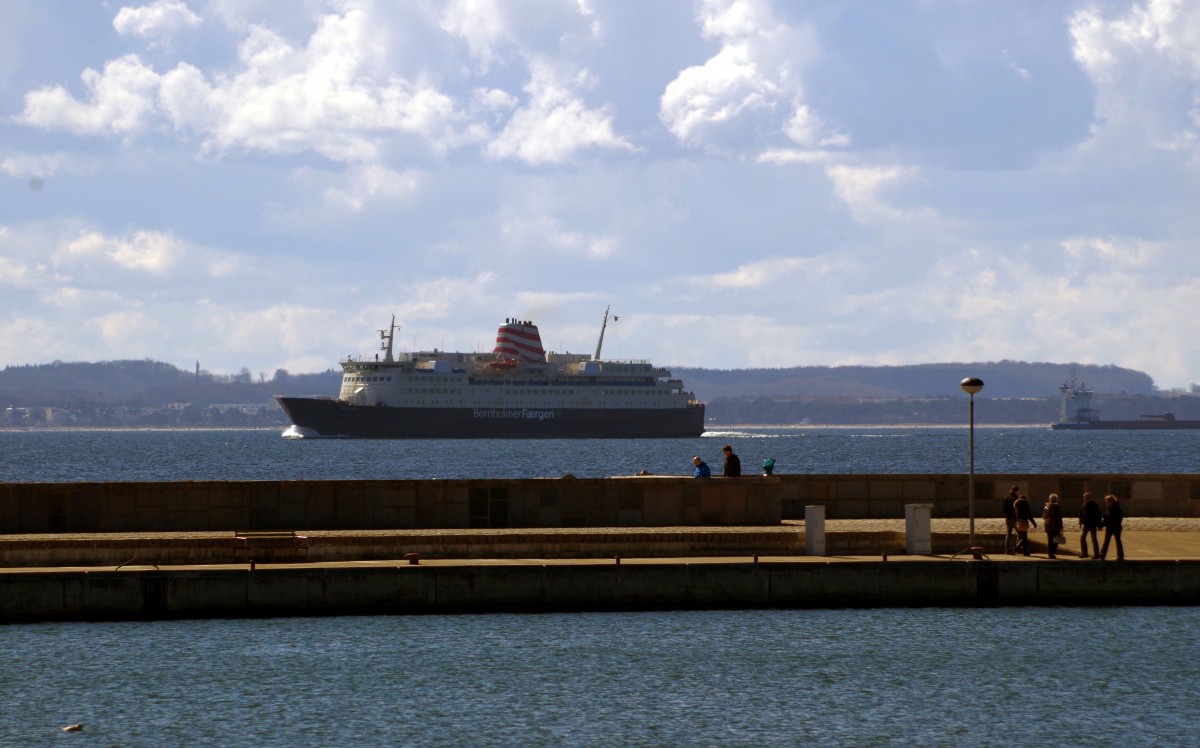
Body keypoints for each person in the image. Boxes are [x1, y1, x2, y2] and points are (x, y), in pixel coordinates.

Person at [1100, 494, 1125, 560]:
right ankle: (1102, 554)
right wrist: (1101, 526)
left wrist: (1114, 523)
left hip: (1116, 527)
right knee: (1106, 541)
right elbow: (1105, 518)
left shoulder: (1117, 508)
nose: (1107, 502)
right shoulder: (1107, 509)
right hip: (1109, 527)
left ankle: (1120, 556)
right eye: (1106, 501)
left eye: (1108, 501)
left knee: (1118, 541)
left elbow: (1120, 518)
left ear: (1112, 501)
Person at [1079, 491, 1102, 559]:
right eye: (1084, 498)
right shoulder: (1083, 505)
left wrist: (1098, 524)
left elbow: (1099, 515)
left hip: (1092, 524)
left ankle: (1096, 554)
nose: (1085, 499)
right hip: (1086, 524)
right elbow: (1080, 514)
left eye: (1086, 498)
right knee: (1082, 538)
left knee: (1093, 539)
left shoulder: (1094, 505)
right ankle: (1084, 553)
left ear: (1089, 498)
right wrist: (1080, 523)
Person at [1042, 493, 1064, 558]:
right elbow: (1059, 517)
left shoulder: (1046, 506)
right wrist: (1061, 527)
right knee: (1056, 540)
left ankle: (1050, 553)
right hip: (1056, 526)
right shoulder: (1057, 507)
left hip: (1048, 526)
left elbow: (1043, 516)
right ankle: (1052, 552)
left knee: (1050, 540)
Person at [1002, 485, 1019, 554]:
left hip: (1007, 518)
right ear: (1016, 491)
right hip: (1014, 519)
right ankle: (1016, 548)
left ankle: (1007, 549)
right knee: (1019, 533)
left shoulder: (1005, 498)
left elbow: (1003, 510)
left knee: (1008, 534)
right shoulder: (1016, 498)